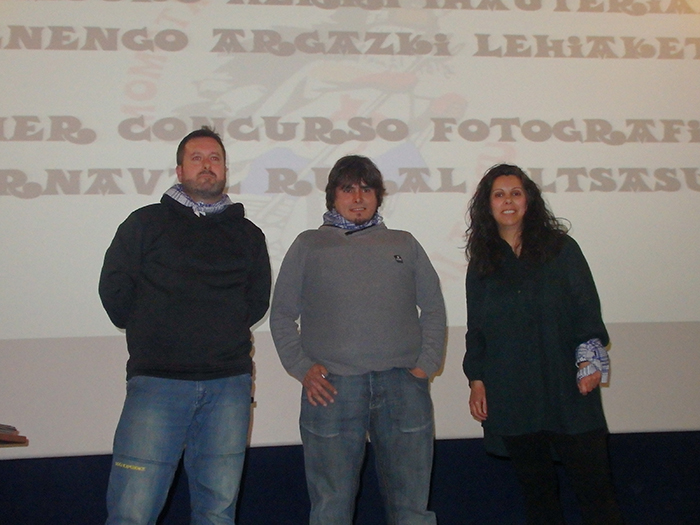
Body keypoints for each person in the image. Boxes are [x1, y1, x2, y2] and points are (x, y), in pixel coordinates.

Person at [99, 126, 271, 524]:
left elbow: (255, 302)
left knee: (217, 512)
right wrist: (156, 332)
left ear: (225, 170)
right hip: (157, 385)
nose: (206, 166)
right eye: (196, 158)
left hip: (228, 386)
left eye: (214, 159)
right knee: (131, 512)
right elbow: (115, 291)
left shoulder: (248, 234)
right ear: (179, 171)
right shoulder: (145, 224)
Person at [270, 155, 446, 525]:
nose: (358, 197)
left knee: (412, 509)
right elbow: (282, 313)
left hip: (403, 386)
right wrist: (302, 369)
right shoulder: (308, 245)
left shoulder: (404, 243)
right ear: (333, 196)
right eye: (348, 189)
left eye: (366, 189)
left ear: (378, 196)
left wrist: (425, 367)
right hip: (332, 389)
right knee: (331, 508)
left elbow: (432, 307)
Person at [463, 164, 624, 524]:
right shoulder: (483, 262)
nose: (508, 201)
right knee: (538, 498)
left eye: (515, 193)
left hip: (568, 389)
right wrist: (476, 379)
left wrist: (590, 361)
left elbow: (586, 308)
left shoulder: (561, 248)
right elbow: (477, 329)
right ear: (487, 204)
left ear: (529, 200)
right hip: (514, 394)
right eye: (499, 194)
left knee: (596, 493)